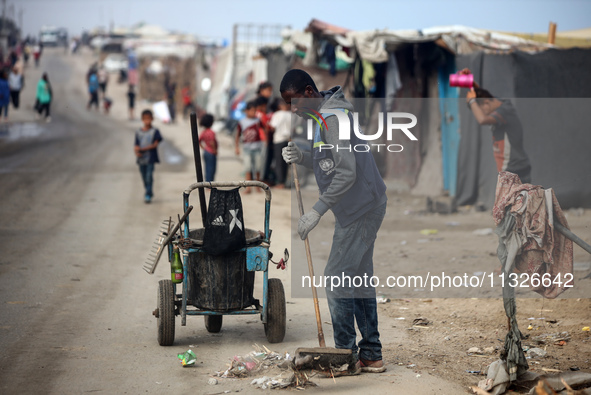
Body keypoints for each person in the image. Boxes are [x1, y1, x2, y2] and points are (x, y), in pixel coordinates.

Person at [280, 69, 388, 375]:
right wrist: (301, 156)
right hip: (360, 206)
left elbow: (347, 173)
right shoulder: (322, 117)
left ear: (309, 93)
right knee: (358, 279)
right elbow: (329, 161)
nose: (293, 109)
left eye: (294, 101)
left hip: (361, 208)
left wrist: (316, 211)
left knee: (336, 278)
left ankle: (344, 356)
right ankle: (371, 354)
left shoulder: (333, 118)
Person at [461, 68, 532, 183]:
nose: (486, 114)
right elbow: (482, 95)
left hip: (515, 170)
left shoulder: (505, 110)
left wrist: (471, 101)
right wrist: (470, 83)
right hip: (509, 170)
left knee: (515, 201)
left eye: (483, 110)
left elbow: (482, 120)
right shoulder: (496, 103)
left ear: (487, 103)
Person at [134, 109, 163, 204]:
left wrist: (143, 149)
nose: (147, 121)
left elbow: (155, 145)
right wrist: (137, 152)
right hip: (141, 159)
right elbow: (136, 145)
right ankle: (148, 191)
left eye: (149, 119)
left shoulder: (155, 131)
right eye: (145, 119)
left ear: (152, 119)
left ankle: (148, 194)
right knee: (144, 177)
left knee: (149, 176)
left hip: (150, 158)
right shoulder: (138, 132)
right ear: (142, 119)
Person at [235, 100, 264, 193]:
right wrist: (237, 147)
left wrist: (265, 140)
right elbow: (238, 135)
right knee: (247, 168)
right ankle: (248, 187)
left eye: (254, 111)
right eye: (251, 111)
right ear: (246, 111)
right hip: (247, 148)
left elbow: (263, 130)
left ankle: (258, 185)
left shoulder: (257, 121)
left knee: (258, 167)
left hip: (257, 148)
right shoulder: (242, 122)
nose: (253, 113)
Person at [269, 99, 291, 188]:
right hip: (288, 140)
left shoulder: (277, 115)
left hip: (278, 139)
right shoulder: (291, 115)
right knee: (286, 161)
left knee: (278, 162)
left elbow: (272, 127)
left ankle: (280, 182)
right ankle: (284, 181)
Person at [198, 113, 218, 182]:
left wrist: (203, 148)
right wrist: (214, 150)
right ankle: (210, 184)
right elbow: (212, 142)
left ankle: (207, 182)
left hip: (206, 151)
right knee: (211, 169)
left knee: (207, 168)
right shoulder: (211, 132)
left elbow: (199, 141)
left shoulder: (204, 132)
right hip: (211, 152)